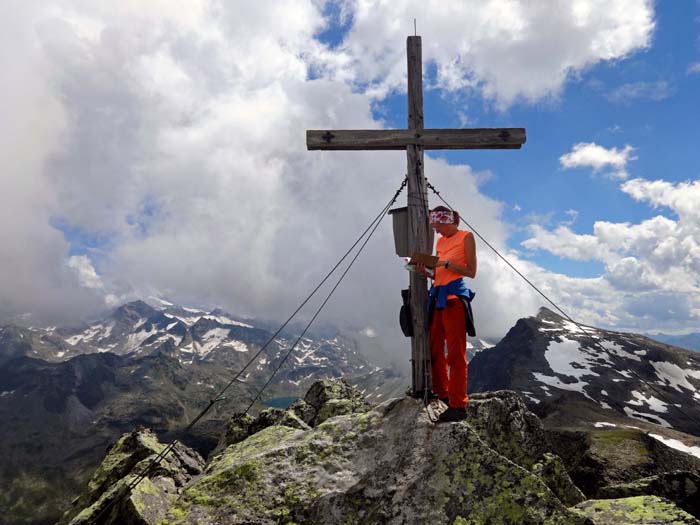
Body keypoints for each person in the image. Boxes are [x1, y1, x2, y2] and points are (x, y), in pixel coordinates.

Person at [422, 206, 477, 422]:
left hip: (454, 299)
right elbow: (439, 272)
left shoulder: (466, 237)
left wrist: (446, 263)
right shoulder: (441, 241)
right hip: (438, 297)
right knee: (435, 348)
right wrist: (424, 269)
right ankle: (442, 393)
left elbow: (471, 271)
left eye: (437, 226)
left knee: (455, 355)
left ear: (447, 221)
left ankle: (458, 405)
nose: (435, 231)